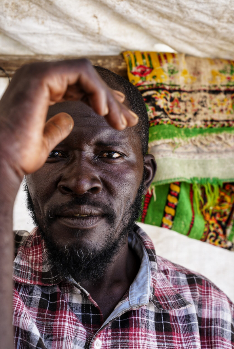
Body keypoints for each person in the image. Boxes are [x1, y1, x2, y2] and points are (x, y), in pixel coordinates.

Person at [0, 59, 233, 349]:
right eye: (55, 153)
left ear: (144, 176)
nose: (81, 182)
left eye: (110, 154)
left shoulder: (209, 312)